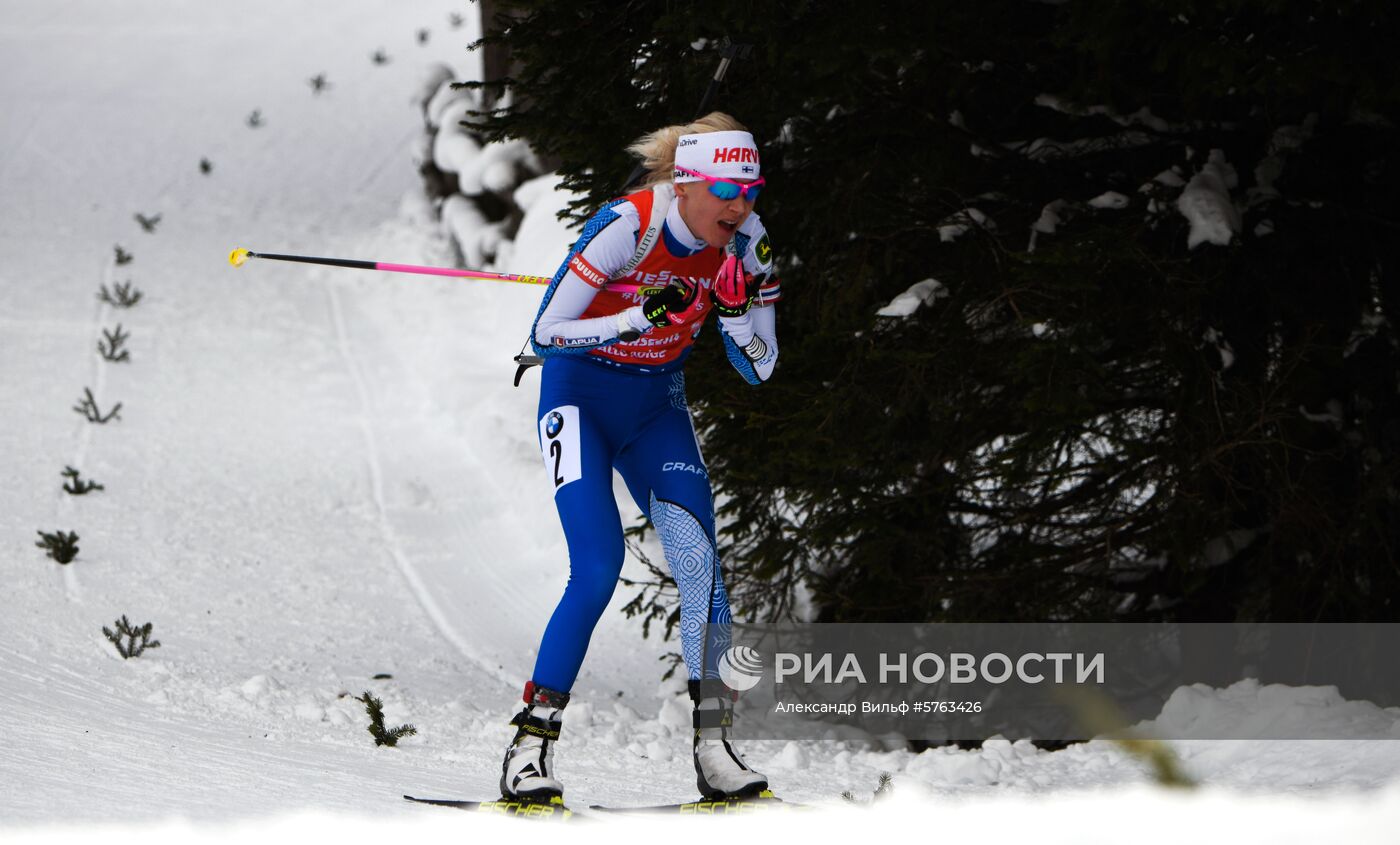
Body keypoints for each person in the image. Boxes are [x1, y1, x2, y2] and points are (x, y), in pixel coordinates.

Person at [499, 112, 780, 804]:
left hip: (656, 409)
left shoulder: (749, 244)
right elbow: (546, 332)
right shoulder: (631, 224)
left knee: (700, 563)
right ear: (686, 184)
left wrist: (737, 314)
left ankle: (714, 749)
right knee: (597, 567)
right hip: (580, 401)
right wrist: (637, 315)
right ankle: (529, 746)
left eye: (750, 188)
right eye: (724, 188)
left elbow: (761, 369)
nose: (739, 204)